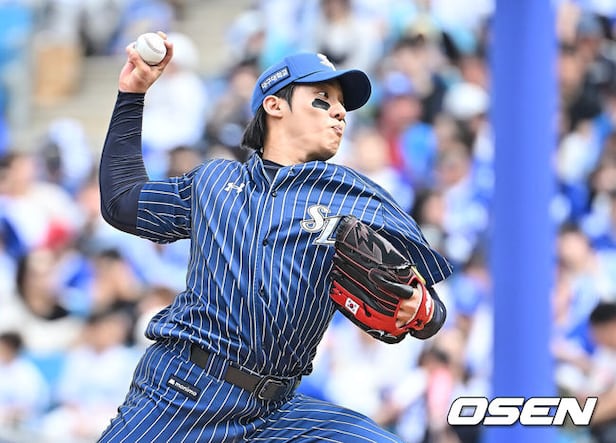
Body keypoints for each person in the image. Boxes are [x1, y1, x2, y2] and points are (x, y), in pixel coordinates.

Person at [97, 33, 452, 442]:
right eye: (322, 99)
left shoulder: (358, 195)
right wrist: (132, 94)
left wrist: (423, 310)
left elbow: (429, 303)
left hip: (276, 412)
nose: (339, 112)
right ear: (274, 105)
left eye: (342, 104)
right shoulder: (215, 181)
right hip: (181, 392)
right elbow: (121, 202)